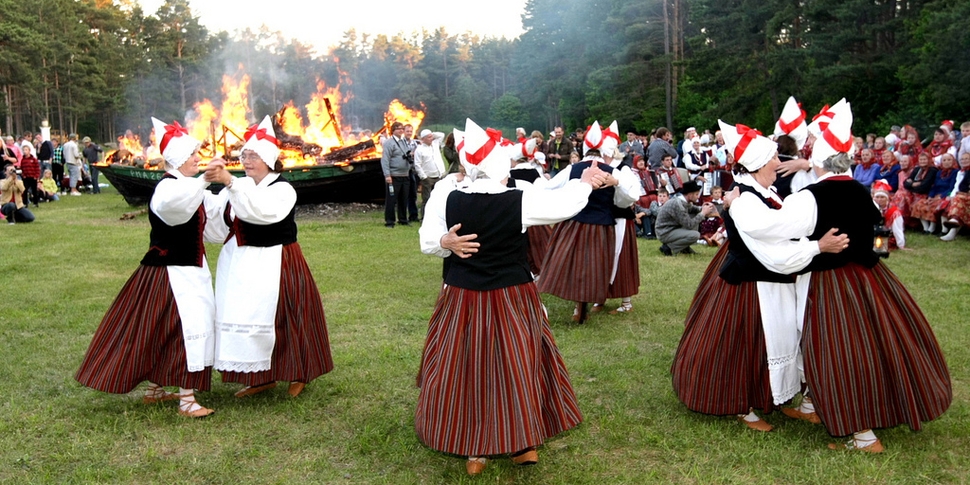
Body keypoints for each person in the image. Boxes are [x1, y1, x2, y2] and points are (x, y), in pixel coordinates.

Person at [732, 105, 951, 452]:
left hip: (830, 284)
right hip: (869, 280)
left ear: (817, 161)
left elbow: (771, 227)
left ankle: (863, 437)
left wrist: (738, 204)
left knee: (836, 351)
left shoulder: (811, 198)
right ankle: (812, 405)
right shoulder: (861, 192)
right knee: (867, 345)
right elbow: (877, 235)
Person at [416, 118, 606, 476]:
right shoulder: (517, 199)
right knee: (516, 362)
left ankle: (488, 448)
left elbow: (428, 237)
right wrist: (583, 183)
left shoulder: (447, 193)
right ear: (502, 168)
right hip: (507, 296)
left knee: (467, 366)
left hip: (465, 295)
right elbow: (564, 205)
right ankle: (505, 444)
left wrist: (443, 242)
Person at [672, 119, 846, 433]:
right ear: (759, 165)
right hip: (751, 282)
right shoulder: (748, 199)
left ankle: (763, 396)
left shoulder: (760, 193)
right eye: (774, 159)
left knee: (764, 341)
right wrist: (817, 248)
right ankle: (740, 403)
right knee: (744, 341)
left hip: (764, 278)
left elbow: (785, 227)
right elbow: (772, 248)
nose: (779, 163)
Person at [75, 118, 219, 418]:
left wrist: (234, 188)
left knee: (159, 330)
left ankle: (155, 389)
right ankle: (187, 400)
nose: (197, 159)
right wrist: (205, 180)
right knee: (185, 327)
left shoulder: (187, 186)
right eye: (192, 155)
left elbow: (211, 219)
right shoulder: (169, 188)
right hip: (172, 272)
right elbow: (177, 210)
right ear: (178, 159)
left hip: (185, 268)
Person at [203, 115, 334, 399]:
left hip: (276, 261)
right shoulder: (239, 185)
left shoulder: (282, 189)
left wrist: (230, 183)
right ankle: (258, 375)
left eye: (254, 156)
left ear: (269, 159)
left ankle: (298, 371)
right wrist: (197, 188)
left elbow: (260, 213)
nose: (247, 161)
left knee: (284, 316)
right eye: (244, 155)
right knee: (244, 314)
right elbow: (219, 220)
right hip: (241, 264)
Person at [538, 122, 633, 323]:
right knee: (594, 267)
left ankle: (577, 307)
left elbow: (549, 188)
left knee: (573, 263)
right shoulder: (612, 171)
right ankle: (585, 304)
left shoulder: (573, 169)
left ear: (583, 149)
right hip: (602, 225)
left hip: (575, 223)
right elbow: (626, 199)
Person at [655, 180, 716, 255]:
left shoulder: (684, 201)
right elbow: (689, 224)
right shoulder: (678, 205)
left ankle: (684, 248)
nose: (698, 197)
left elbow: (693, 209)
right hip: (664, 232)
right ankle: (668, 247)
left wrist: (704, 208)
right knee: (695, 235)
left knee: (694, 213)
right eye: (696, 194)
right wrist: (703, 213)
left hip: (672, 229)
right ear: (690, 195)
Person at [911, 152, 958, 233]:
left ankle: (933, 228)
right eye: (944, 160)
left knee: (935, 205)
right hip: (935, 195)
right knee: (920, 204)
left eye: (949, 160)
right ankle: (926, 228)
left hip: (946, 195)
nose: (946, 162)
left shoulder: (955, 172)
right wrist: (930, 196)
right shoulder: (939, 172)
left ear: (953, 161)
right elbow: (934, 186)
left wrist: (941, 196)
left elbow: (952, 187)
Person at [381, 122, 412, 227]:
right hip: (394, 175)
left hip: (405, 175)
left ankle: (403, 219)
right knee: (391, 199)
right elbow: (385, 159)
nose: (401, 131)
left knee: (403, 199)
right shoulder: (389, 143)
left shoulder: (403, 141)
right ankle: (389, 221)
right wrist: (387, 175)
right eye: (399, 129)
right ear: (393, 130)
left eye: (402, 129)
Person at [413, 129, 446, 220]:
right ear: (423, 139)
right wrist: (424, 177)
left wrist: (431, 134)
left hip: (438, 175)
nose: (431, 138)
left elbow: (441, 134)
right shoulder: (419, 150)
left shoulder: (435, 144)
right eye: (429, 137)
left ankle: (437, 217)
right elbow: (417, 164)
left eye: (432, 136)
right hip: (428, 177)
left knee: (438, 198)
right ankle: (424, 217)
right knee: (426, 198)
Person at [904, 152, 940, 233]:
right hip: (915, 192)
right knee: (902, 196)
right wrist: (913, 184)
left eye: (925, 159)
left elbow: (925, 186)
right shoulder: (917, 169)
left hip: (926, 193)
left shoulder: (932, 170)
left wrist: (911, 184)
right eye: (921, 159)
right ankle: (924, 228)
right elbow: (905, 183)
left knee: (920, 204)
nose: (922, 161)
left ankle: (930, 228)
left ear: (929, 160)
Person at [941, 152, 970, 241]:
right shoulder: (964, 172)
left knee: (958, 199)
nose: (964, 161)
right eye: (962, 159)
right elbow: (961, 186)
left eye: (967, 159)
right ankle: (950, 229)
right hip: (964, 195)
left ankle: (953, 223)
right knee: (955, 199)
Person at [872, 180, 905, 249]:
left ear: (887, 199)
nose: (879, 199)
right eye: (877, 197)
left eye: (882, 197)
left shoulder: (894, 212)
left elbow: (898, 230)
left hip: (887, 235)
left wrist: (901, 244)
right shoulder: (871, 208)